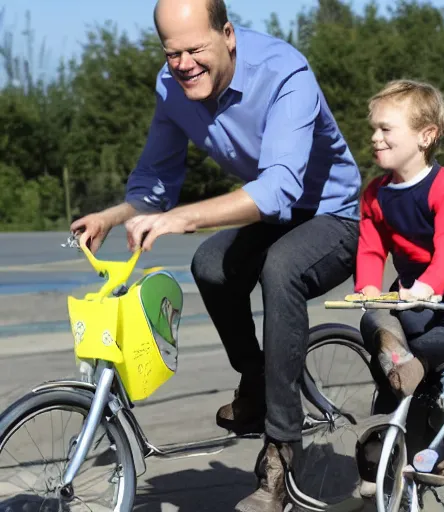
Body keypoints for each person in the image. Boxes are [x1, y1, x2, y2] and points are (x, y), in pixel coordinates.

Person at [71, 0, 361, 509]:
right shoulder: (172, 87)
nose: (182, 64)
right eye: (171, 53)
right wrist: (111, 216)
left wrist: (182, 218)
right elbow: (156, 183)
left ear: (227, 33)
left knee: (281, 268)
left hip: (334, 215)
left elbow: (277, 189)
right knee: (209, 264)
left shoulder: (284, 72)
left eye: (194, 49)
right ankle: (256, 377)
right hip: (275, 216)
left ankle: (281, 449)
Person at [354, 79, 444, 495]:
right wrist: (366, 287)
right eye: (373, 128)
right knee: (375, 326)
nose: (374, 137)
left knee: (441, 346)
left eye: (385, 129)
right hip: (412, 295)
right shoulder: (376, 194)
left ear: (425, 136)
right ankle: (389, 416)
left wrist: (429, 287)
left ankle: (443, 429)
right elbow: (371, 246)